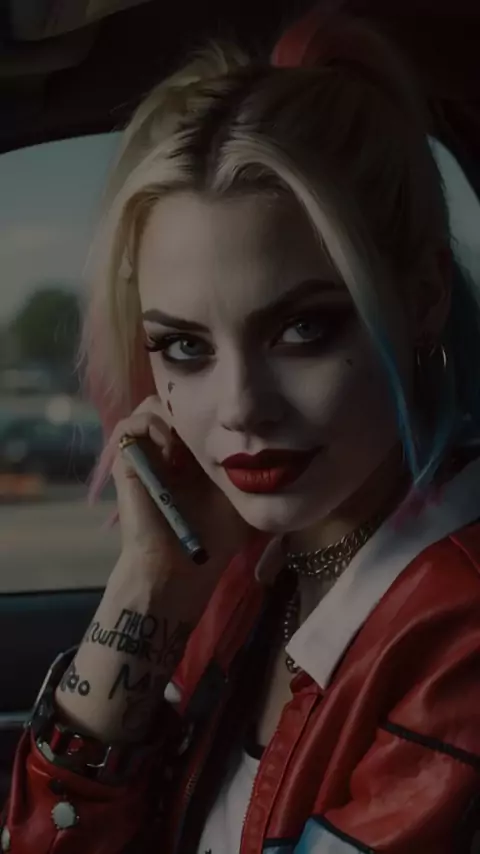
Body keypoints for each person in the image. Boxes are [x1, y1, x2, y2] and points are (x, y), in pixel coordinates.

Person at [3, 5, 480, 853]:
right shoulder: (252, 572)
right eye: (185, 346)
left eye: (303, 329)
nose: (240, 407)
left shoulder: (461, 626)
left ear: (423, 298)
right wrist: (149, 584)